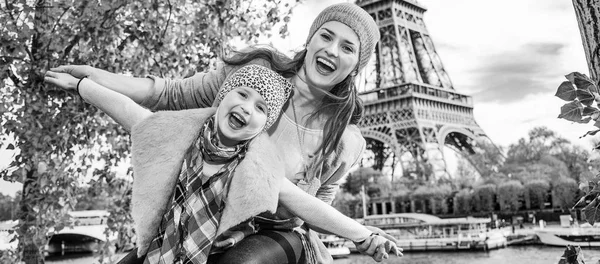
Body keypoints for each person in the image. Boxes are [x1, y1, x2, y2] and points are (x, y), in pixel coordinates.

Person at [46, 3, 398, 263]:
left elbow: (309, 208)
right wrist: (92, 79)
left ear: (357, 65)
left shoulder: (345, 140)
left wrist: (362, 234)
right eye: (326, 36)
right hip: (206, 213)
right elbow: (163, 95)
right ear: (311, 38)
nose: (332, 50)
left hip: (275, 236)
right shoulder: (256, 78)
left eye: (347, 48)